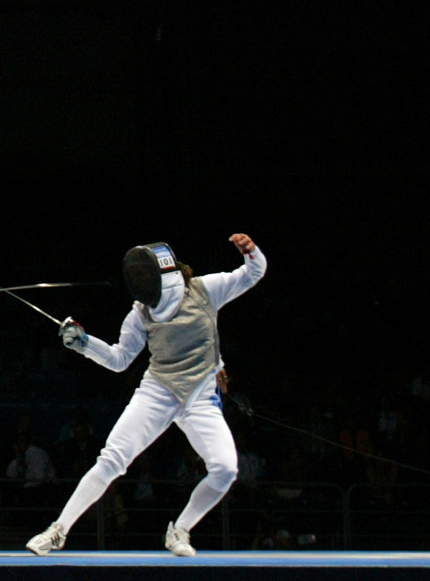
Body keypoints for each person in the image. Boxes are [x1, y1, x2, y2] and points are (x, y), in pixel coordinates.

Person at [27, 234, 266, 558]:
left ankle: (180, 530)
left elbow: (253, 273)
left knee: (225, 469)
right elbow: (119, 359)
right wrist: (83, 343)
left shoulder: (205, 290)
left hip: (200, 395)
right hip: (158, 391)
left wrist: (251, 252)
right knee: (112, 459)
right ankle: (57, 531)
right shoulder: (140, 312)